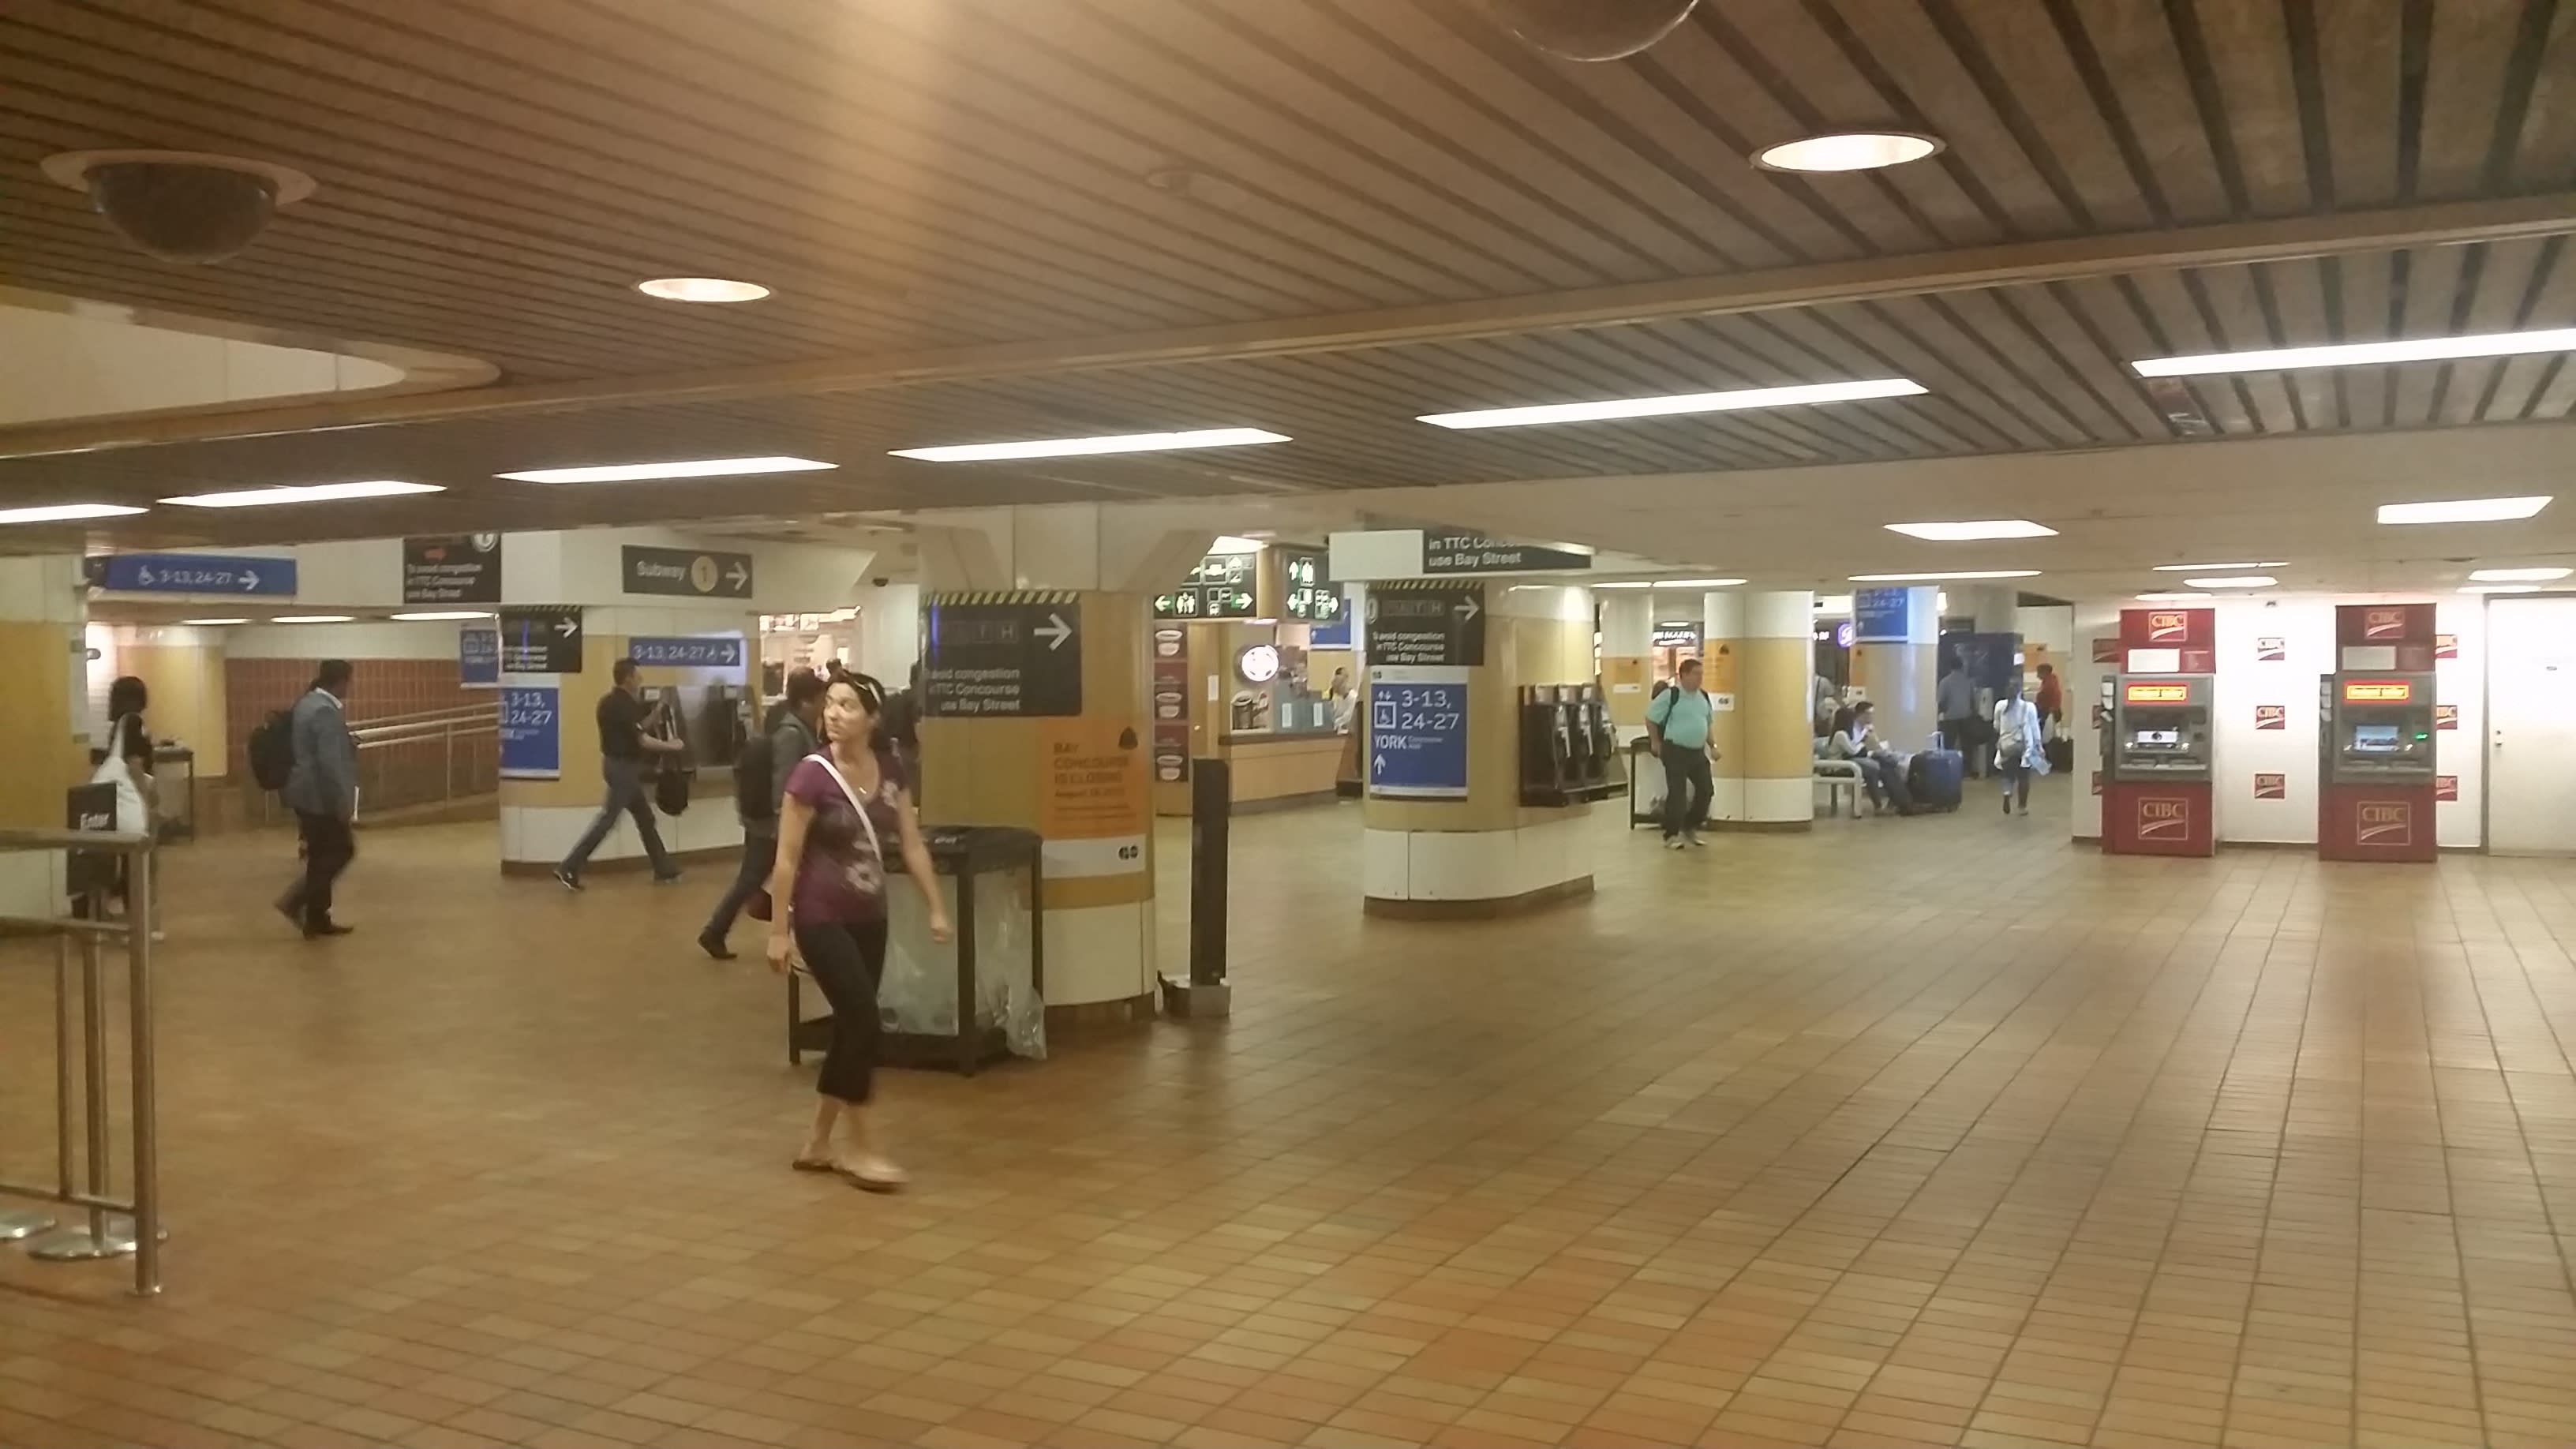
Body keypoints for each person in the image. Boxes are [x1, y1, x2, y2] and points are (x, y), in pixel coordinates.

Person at [766, 672, 950, 1189]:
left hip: (870, 914)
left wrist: (935, 905)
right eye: (831, 704)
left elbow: (911, 843)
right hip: (820, 914)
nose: (835, 713)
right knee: (864, 1019)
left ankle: (819, 1143)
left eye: (848, 705)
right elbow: (786, 857)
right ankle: (862, 1147)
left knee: (851, 1025)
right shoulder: (811, 775)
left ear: (873, 718)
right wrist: (780, 931)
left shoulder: (892, 771)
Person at [699, 668, 824, 959]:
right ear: (806, 702)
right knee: (756, 879)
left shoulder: (789, 724)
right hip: (773, 824)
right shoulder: (792, 733)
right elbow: (784, 783)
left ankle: (716, 931)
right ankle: (716, 931)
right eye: (820, 700)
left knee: (754, 878)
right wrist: (785, 824)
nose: (823, 707)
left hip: (768, 821)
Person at [555, 658, 689, 890]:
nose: (641, 680)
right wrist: (673, 746)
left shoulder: (609, 702)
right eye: (638, 675)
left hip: (617, 766)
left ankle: (663, 868)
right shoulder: (624, 705)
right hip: (623, 769)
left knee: (645, 818)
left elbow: (636, 730)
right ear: (628, 678)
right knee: (608, 820)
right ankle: (570, 866)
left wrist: (657, 712)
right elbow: (643, 740)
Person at [276, 659, 359, 938]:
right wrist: (342, 800)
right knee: (342, 850)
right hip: (320, 794)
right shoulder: (326, 711)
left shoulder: (306, 704)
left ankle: (317, 917)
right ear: (340, 681)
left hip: (303, 790)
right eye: (349, 681)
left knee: (320, 853)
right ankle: (295, 900)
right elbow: (329, 762)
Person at [91, 676, 159, 939]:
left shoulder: (116, 726)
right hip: (127, 802)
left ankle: (105, 924)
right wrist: (148, 799)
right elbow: (135, 764)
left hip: (108, 801)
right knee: (139, 863)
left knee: (109, 866)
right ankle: (137, 926)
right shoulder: (134, 722)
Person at [1644, 657, 1719, 849]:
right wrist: (1655, 742)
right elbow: (1651, 717)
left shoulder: (1703, 696)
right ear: (1683, 675)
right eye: (1696, 674)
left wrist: (1713, 745)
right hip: (1675, 750)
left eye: (1701, 674)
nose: (1700, 678)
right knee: (1677, 793)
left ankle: (1690, 825)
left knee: (1706, 790)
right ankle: (1671, 834)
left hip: (1697, 752)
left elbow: (1707, 723)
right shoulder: (1672, 695)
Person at [1828, 702, 1913, 816]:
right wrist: (1864, 740)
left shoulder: (1846, 733)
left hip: (1849, 762)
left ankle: (1894, 801)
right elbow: (1853, 751)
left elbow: (1862, 748)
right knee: (1874, 769)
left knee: (1881, 766)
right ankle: (1883, 804)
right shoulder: (1841, 735)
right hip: (1839, 767)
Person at [1993, 679, 2045, 816]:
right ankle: (2022, 807)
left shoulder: (1999, 705)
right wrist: (2039, 746)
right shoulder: (2029, 707)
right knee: (2023, 777)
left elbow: (1996, 726)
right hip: (2022, 747)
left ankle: (2007, 793)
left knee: (2008, 774)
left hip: (2005, 746)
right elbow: (2035, 728)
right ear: (2020, 691)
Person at [1937, 655, 1975, 775]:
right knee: (1967, 745)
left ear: (1950, 667)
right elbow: (1972, 699)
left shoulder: (1945, 682)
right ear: (1962, 666)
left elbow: (1941, 701)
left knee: (1949, 745)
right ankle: (1967, 770)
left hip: (1951, 717)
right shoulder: (1968, 681)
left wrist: (1941, 713)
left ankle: (1949, 769)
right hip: (1966, 716)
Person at [2033, 663, 2064, 735]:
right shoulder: (2050, 681)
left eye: (2039, 673)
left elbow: (2045, 697)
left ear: (2045, 672)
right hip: (2049, 709)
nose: (2037, 675)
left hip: (2047, 710)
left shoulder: (2049, 684)